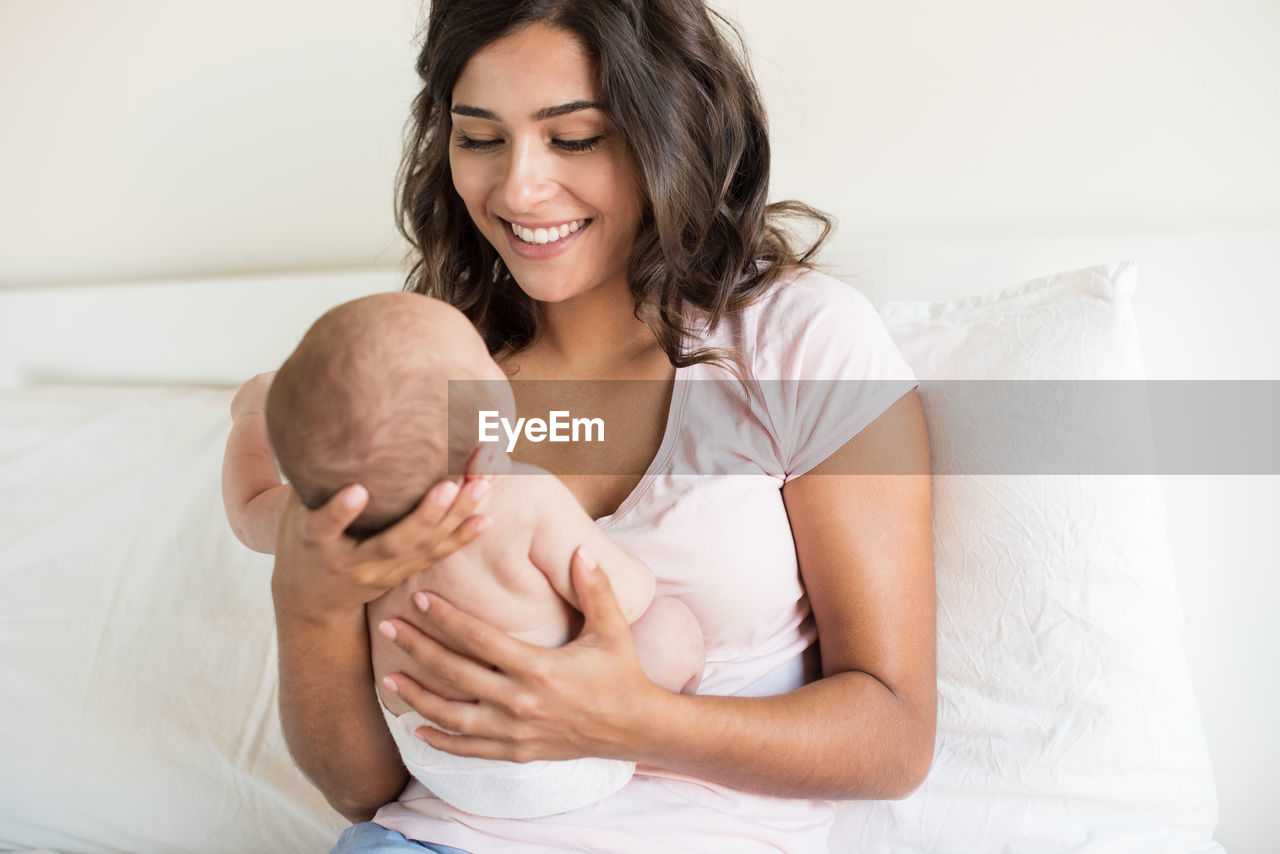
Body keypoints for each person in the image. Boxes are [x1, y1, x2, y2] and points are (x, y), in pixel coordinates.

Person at [249, 0, 936, 851]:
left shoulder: (797, 342)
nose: (517, 188)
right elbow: (366, 790)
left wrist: (629, 721)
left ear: (669, 133)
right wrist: (308, 606)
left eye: (574, 138)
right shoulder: (424, 383)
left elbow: (894, 738)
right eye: (480, 137)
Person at [224, 290, 704, 819]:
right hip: (567, 757)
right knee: (669, 624)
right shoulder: (524, 497)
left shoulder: (331, 524)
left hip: (438, 761)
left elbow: (248, 508)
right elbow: (626, 594)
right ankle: (653, 754)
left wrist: (250, 414)